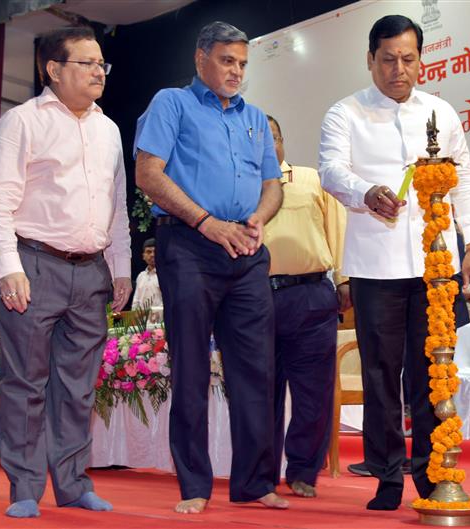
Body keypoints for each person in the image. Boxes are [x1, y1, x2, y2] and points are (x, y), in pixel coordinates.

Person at [319, 14, 470, 510]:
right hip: (374, 267)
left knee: (432, 374)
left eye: (408, 59)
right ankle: (387, 476)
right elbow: (330, 169)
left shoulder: (442, 112)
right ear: (370, 60)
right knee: (380, 375)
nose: (399, 69)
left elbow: (467, 181)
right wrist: (364, 192)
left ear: (420, 60)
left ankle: (432, 475)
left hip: (436, 268)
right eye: (388, 59)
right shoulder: (344, 113)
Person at [133, 21, 287, 513]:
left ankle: (254, 483)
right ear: (201, 58)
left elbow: (273, 185)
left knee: (257, 371)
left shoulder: (256, 118)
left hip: (245, 250)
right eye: (227, 60)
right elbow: (148, 175)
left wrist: (259, 220)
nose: (236, 71)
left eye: (242, 63)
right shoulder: (171, 104)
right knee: (193, 368)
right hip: (189, 247)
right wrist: (206, 223)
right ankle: (195, 485)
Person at [0, 26, 131, 518]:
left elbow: (118, 207)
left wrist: (121, 267)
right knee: (24, 382)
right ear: (54, 69)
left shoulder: (108, 129)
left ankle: (72, 484)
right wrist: (8, 266)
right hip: (34, 265)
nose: (98, 72)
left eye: (101, 63)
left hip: (91, 273)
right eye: (86, 63)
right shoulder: (22, 122)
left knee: (79, 384)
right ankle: (24, 488)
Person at [263, 115, 348, 498]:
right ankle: (261, 472)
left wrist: (344, 280)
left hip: (311, 294)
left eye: (273, 136)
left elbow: (339, 227)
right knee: (260, 393)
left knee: (313, 392)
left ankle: (302, 471)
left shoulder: (311, 178)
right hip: (254, 299)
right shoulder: (235, 187)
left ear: (282, 140)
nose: (267, 144)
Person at [131, 238, 162, 310]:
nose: (152, 255)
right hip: (141, 320)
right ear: (143, 256)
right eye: (148, 252)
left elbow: (168, 301)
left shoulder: (166, 275)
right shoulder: (141, 276)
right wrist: (133, 318)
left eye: (155, 252)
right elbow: (136, 301)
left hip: (161, 319)